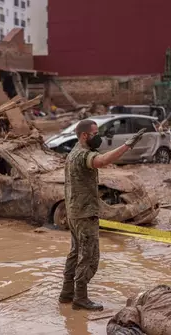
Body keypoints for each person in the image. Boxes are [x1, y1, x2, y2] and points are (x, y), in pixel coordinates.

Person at [59, 120, 146, 311]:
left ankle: (66, 293)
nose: (98, 136)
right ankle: (80, 298)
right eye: (95, 133)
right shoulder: (82, 155)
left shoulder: (73, 152)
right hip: (85, 213)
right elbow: (102, 161)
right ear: (84, 136)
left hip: (74, 211)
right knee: (89, 257)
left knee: (75, 253)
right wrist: (127, 145)